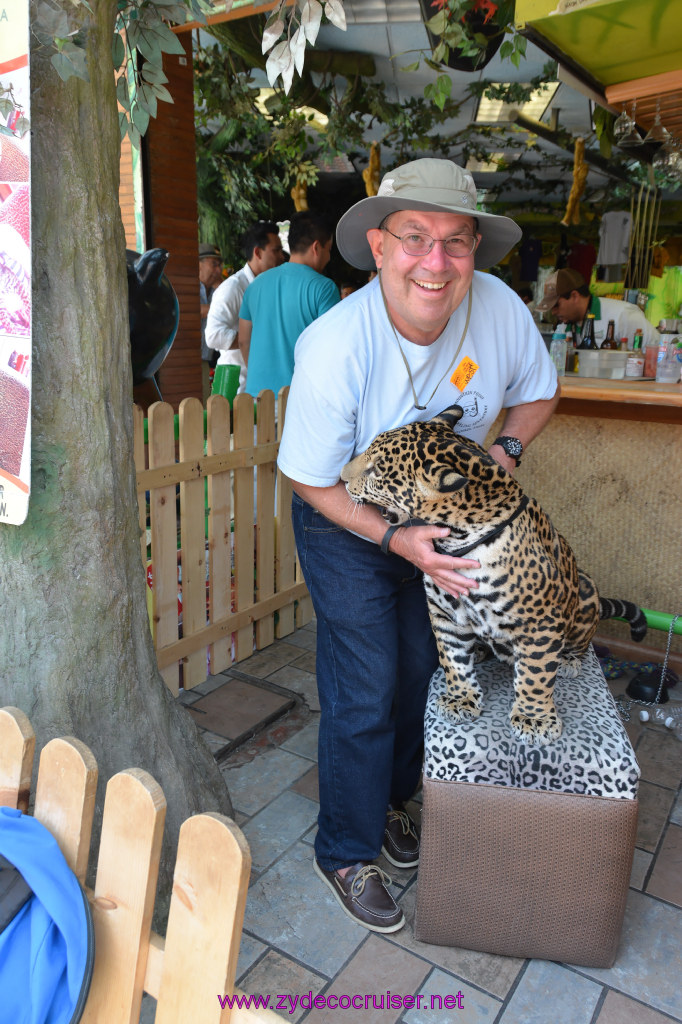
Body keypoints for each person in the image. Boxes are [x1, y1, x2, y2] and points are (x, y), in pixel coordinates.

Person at [277, 158, 560, 934]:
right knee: (365, 682)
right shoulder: (336, 345)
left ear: (475, 250)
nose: (436, 263)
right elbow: (309, 479)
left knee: (425, 670)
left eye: (456, 242)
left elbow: (538, 392)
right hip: (348, 518)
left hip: (444, 525)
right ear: (377, 245)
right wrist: (396, 537)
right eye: (415, 237)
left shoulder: (498, 308)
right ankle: (344, 849)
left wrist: (499, 457)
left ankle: (388, 806)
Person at [238, 210, 340, 397]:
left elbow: (244, 341)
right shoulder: (324, 288)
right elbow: (331, 351)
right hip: (299, 400)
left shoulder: (255, 285)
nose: (329, 257)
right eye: (329, 249)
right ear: (316, 248)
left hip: (255, 400)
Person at [205, 222, 285, 394]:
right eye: (276, 250)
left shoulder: (272, 286)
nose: (282, 257)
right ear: (258, 252)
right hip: (237, 388)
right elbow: (213, 336)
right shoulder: (233, 287)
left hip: (267, 387)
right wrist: (253, 338)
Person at [535, 267, 659, 347]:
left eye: (556, 305)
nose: (554, 312)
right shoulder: (565, 324)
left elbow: (657, 350)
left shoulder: (622, 315)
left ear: (574, 296)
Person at [198, 243, 224, 402]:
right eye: (214, 264)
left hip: (206, 358)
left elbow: (231, 310)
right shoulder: (189, 285)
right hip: (187, 359)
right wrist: (218, 308)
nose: (219, 270)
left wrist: (221, 288)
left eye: (219, 265)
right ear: (198, 264)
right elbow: (196, 311)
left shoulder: (217, 289)